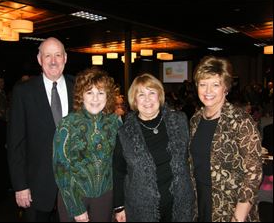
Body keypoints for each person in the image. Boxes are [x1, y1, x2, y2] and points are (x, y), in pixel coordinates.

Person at [7, 37, 74, 222]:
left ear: (65, 58)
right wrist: (20, 186)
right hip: (37, 187)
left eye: (58, 55)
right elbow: (15, 143)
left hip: (74, 188)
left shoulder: (78, 88)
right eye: (48, 56)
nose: (53, 61)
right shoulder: (23, 92)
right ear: (39, 59)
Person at [113, 73, 195, 222]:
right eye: (141, 95)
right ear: (134, 100)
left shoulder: (180, 121)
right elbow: (118, 172)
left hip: (180, 204)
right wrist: (119, 207)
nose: (147, 99)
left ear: (160, 96)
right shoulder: (124, 133)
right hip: (141, 208)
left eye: (152, 93)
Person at [189, 56, 263, 222]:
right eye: (203, 84)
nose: (208, 91)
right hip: (200, 202)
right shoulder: (195, 120)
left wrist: (239, 217)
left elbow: (253, 173)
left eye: (215, 84)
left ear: (226, 88)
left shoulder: (241, 120)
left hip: (232, 207)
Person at [53, 67, 121, 222]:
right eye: (89, 92)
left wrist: (120, 204)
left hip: (105, 196)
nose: (95, 98)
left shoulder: (115, 122)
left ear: (108, 96)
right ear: (81, 95)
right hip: (73, 195)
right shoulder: (67, 123)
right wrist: (76, 207)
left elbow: (120, 164)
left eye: (101, 93)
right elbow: (60, 168)